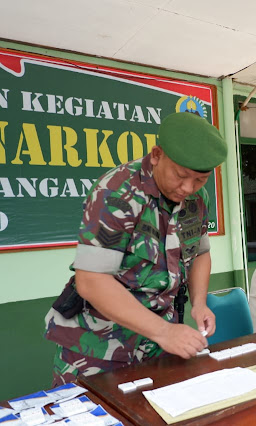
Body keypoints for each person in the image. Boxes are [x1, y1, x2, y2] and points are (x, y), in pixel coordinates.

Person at [44, 112, 227, 385]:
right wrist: (165, 332)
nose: (188, 188)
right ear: (156, 155)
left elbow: (200, 252)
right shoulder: (117, 192)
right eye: (181, 175)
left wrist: (199, 304)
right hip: (98, 348)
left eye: (200, 179)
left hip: (156, 347)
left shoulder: (197, 198)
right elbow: (91, 280)